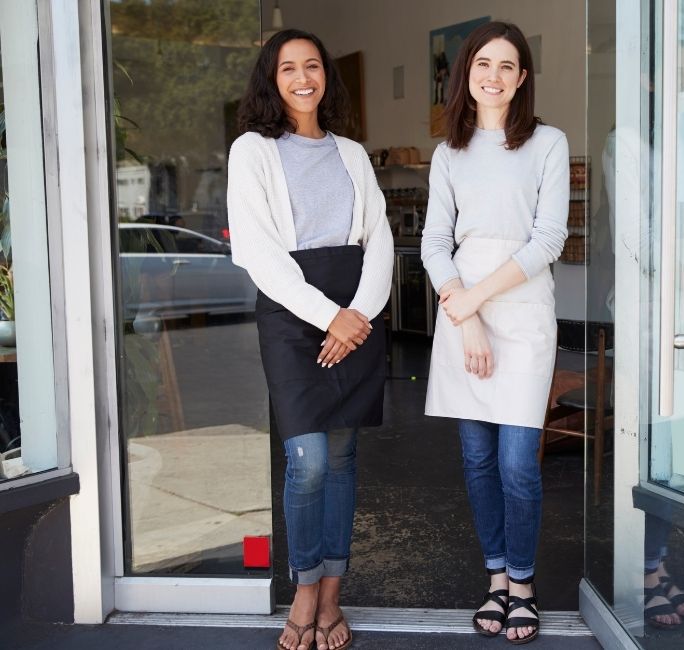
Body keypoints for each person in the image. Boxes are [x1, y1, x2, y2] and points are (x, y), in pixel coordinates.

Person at [227, 28, 393, 650]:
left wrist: (359, 314)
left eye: (313, 66)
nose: (303, 78)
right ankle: (304, 584)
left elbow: (377, 239)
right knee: (310, 461)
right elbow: (258, 251)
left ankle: (333, 592)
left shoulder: (351, 152)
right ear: (272, 78)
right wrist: (330, 317)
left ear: (327, 76)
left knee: (345, 457)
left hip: (357, 309)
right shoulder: (252, 150)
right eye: (289, 67)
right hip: (295, 313)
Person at [421, 21, 569, 645]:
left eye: (508, 65)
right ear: (466, 74)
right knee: (478, 458)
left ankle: (525, 583)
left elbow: (549, 238)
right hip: (463, 316)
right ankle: (496, 578)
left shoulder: (547, 143)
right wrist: (468, 314)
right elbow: (433, 242)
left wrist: (478, 300)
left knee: (517, 463)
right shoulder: (448, 152)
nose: (494, 75)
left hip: (523, 311)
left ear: (523, 78)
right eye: (484, 63)